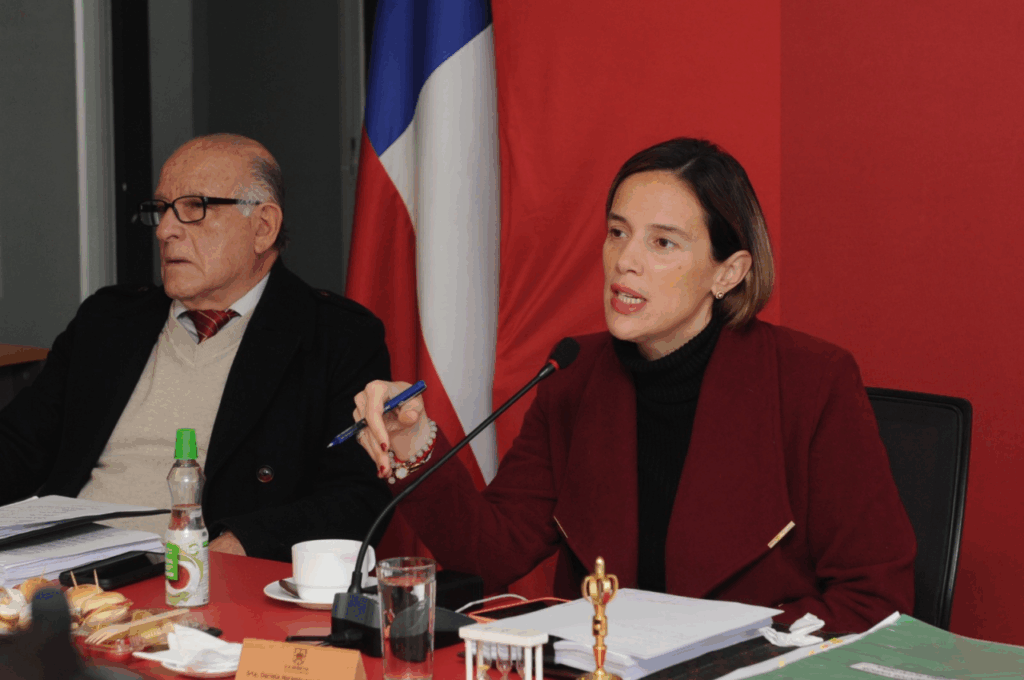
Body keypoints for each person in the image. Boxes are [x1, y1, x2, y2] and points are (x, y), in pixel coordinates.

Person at [351, 138, 916, 633]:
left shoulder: (811, 381)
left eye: (662, 243)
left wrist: (727, 650)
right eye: (618, 232)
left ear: (729, 272)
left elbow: (874, 599)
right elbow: (491, 553)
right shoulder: (574, 376)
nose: (625, 260)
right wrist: (413, 442)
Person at [0, 134, 392, 561]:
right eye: (162, 209)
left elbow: (355, 498)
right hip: (59, 571)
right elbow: (18, 446)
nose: (165, 230)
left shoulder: (335, 337)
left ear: (263, 227)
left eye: (194, 208)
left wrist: (235, 549)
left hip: (199, 576)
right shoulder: (107, 321)